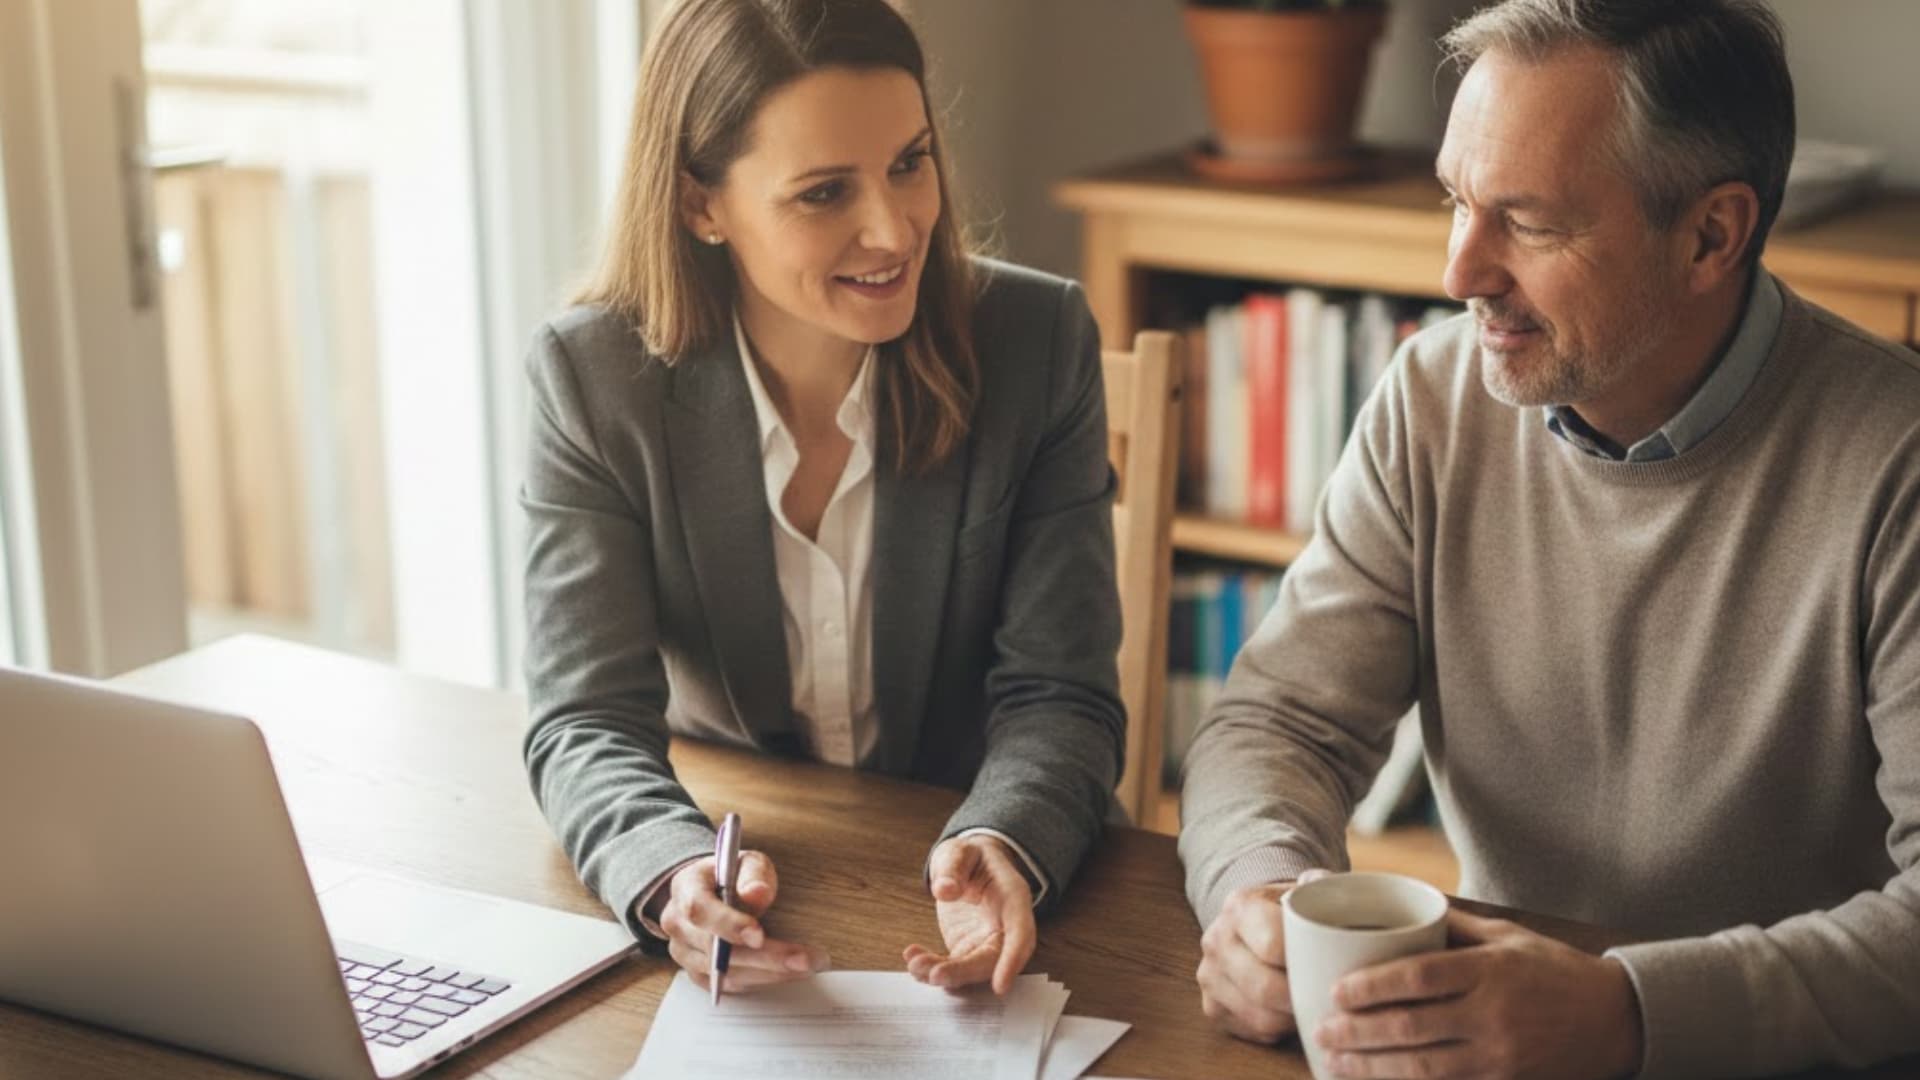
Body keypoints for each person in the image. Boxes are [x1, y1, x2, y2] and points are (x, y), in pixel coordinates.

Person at [1180, 1, 1920, 1076]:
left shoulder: (1897, 459)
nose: (1459, 273)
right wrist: (1258, 891)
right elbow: (1279, 718)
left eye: (1527, 223)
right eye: (1457, 203)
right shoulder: (1430, 399)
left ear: (1712, 234)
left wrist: (1631, 1013)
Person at [520, 0, 1123, 998]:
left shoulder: (1036, 342)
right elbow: (583, 716)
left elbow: (1060, 693)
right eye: (823, 192)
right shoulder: (593, 380)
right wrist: (673, 873)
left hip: (958, 876)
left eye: (910, 161)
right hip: (750, 878)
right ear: (699, 206)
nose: (895, 229)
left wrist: (1002, 839)